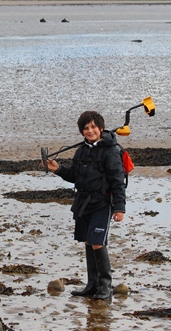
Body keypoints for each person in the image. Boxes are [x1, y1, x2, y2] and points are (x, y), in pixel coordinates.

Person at [45, 111, 126, 300]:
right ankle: (92, 284)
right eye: (86, 128)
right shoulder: (81, 151)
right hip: (83, 202)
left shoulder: (111, 151)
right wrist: (58, 169)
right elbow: (75, 176)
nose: (90, 131)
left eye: (93, 127)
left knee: (98, 241)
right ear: (82, 131)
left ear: (101, 128)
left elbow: (117, 181)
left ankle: (105, 286)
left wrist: (120, 208)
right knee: (89, 241)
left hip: (102, 203)